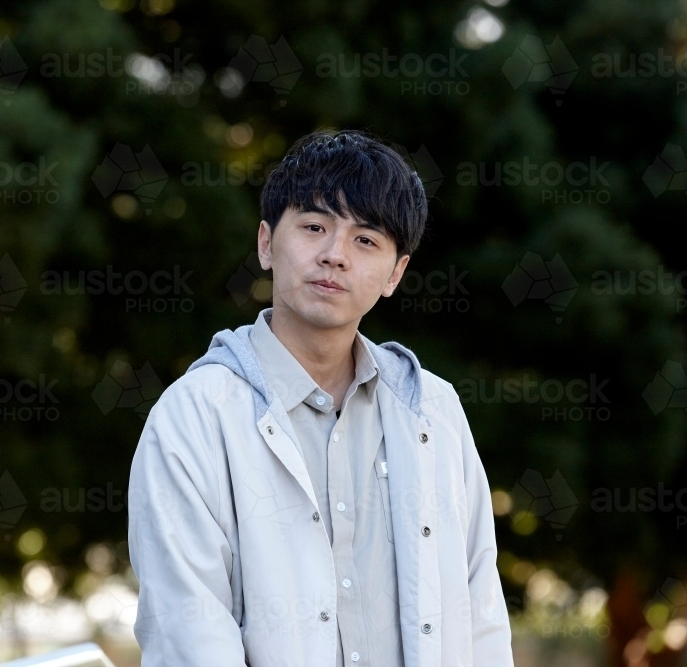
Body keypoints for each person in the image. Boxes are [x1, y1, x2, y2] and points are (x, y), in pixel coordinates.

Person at [127, 130, 513, 666]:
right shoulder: (195, 414)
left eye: (366, 240)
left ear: (395, 273)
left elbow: (480, 611)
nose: (334, 256)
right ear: (266, 243)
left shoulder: (433, 409)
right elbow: (186, 631)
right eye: (314, 227)